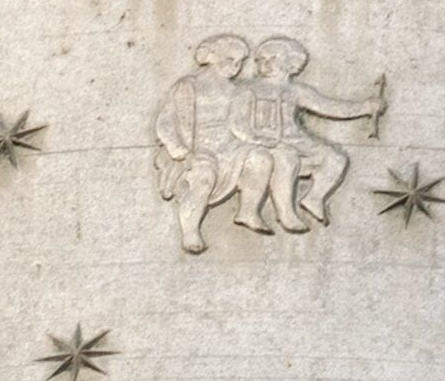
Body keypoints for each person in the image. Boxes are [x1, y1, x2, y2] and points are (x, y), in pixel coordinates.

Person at [228, 38, 384, 234]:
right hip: (263, 142)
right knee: (286, 160)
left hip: (296, 141)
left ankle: (314, 198)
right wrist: (254, 138)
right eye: (260, 59)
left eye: (273, 58)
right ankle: (285, 213)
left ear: (291, 63)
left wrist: (364, 107)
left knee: (335, 158)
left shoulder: (296, 90)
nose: (265, 63)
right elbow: (237, 121)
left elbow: (328, 107)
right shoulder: (248, 89)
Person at [151, 36, 253, 252]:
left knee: (259, 159)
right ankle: (190, 230)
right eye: (230, 59)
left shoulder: (236, 92)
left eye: (239, 62)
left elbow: (241, 125)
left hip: (229, 147)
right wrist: (179, 151)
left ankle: (249, 211)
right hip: (196, 148)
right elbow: (166, 123)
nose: (235, 67)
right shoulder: (189, 86)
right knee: (204, 175)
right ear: (212, 56)